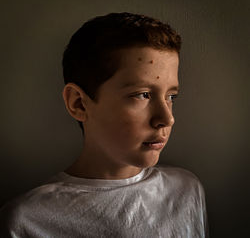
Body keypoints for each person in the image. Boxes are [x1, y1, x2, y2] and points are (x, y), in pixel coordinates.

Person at [0, 12, 209, 237]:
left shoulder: (186, 190)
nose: (167, 118)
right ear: (79, 103)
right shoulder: (26, 221)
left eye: (171, 97)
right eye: (143, 95)